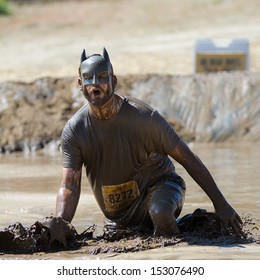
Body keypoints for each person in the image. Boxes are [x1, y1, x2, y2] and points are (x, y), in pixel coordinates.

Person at [55, 47, 242, 236]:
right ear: (80, 83)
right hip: (117, 218)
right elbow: (69, 185)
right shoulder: (75, 130)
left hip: (161, 189)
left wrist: (221, 204)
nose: (95, 84)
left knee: (159, 213)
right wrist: (60, 224)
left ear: (113, 81)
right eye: (88, 78)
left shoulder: (144, 118)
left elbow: (188, 159)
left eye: (102, 77)